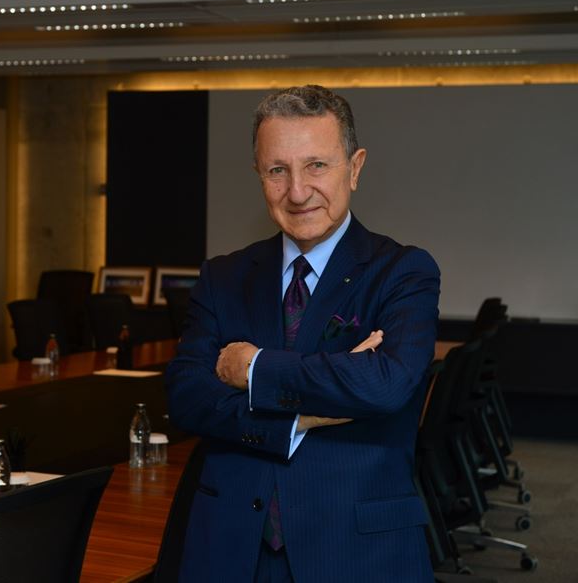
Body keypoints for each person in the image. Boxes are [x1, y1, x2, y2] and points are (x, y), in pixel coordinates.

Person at [165, 84, 440, 582]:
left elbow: (386, 385)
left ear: (354, 168)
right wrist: (301, 418)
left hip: (356, 552)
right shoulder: (223, 277)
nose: (296, 191)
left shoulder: (403, 271)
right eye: (277, 170)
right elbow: (187, 397)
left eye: (316, 165)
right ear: (259, 173)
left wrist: (254, 368)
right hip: (230, 549)